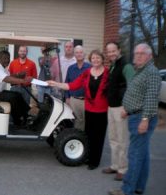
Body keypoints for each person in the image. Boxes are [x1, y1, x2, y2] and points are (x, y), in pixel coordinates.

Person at [109, 44, 161, 195]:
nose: (138, 55)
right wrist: (127, 109)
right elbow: (136, 94)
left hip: (141, 118)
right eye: (136, 53)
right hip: (134, 114)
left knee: (135, 155)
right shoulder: (141, 70)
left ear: (149, 56)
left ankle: (127, 190)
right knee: (142, 155)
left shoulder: (151, 72)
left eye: (142, 53)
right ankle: (139, 187)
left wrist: (144, 120)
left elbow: (151, 99)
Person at [47, 49, 109, 170]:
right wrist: (55, 83)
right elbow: (72, 85)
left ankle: (95, 161)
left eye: (98, 58)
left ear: (102, 59)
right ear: (91, 60)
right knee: (89, 135)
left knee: (99, 137)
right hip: (89, 109)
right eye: (93, 58)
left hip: (102, 111)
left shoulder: (107, 73)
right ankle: (88, 157)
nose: (95, 60)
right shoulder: (87, 73)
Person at [102, 42, 135, 181]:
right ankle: (115, 165)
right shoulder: (113, 66)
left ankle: (123, 168)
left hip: (121, 108)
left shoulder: (126, 66)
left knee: (122, 140)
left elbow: (133, 88)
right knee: (113, 138)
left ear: (119, 50)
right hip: (111, 106)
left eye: (113, 51)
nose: (111, 54)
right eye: (109, 52)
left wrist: (127, 108)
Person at [0, 50, 33, 126]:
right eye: (5, 58)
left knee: (17, 94)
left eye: (8, 58)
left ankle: (26, 115)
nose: (7, 60)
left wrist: (18, 75)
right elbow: (7, 79)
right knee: (12, 98)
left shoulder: (3, 68)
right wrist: (23, 80)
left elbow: (9, 76)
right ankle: (18, 121)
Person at [65, 45, 91, 131]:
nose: (79, 54)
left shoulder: (90, 68)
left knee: (87, 121)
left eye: (81, 52)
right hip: (74, 100)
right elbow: (67, 83)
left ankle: (87, 141)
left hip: (87, 100)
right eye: (77, 52)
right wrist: (67, 97)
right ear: (74, 55)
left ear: (84, 54)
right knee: (76, 121)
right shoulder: (71, 68)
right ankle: (78, 139)